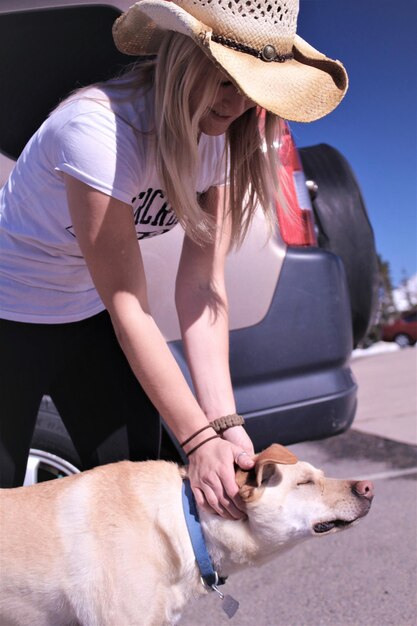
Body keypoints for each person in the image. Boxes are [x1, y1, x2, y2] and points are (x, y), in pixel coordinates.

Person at [0, 0, 347, 516]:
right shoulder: (97, 129)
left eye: (251, 90)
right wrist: (197, 439)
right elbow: (129, 306)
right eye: (225, 80)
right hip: (9, 315)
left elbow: (203, 291)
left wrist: (224, 425)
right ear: (182, 58)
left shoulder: (224, 144)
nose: (236, 105)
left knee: (139, 492)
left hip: (83, 312)